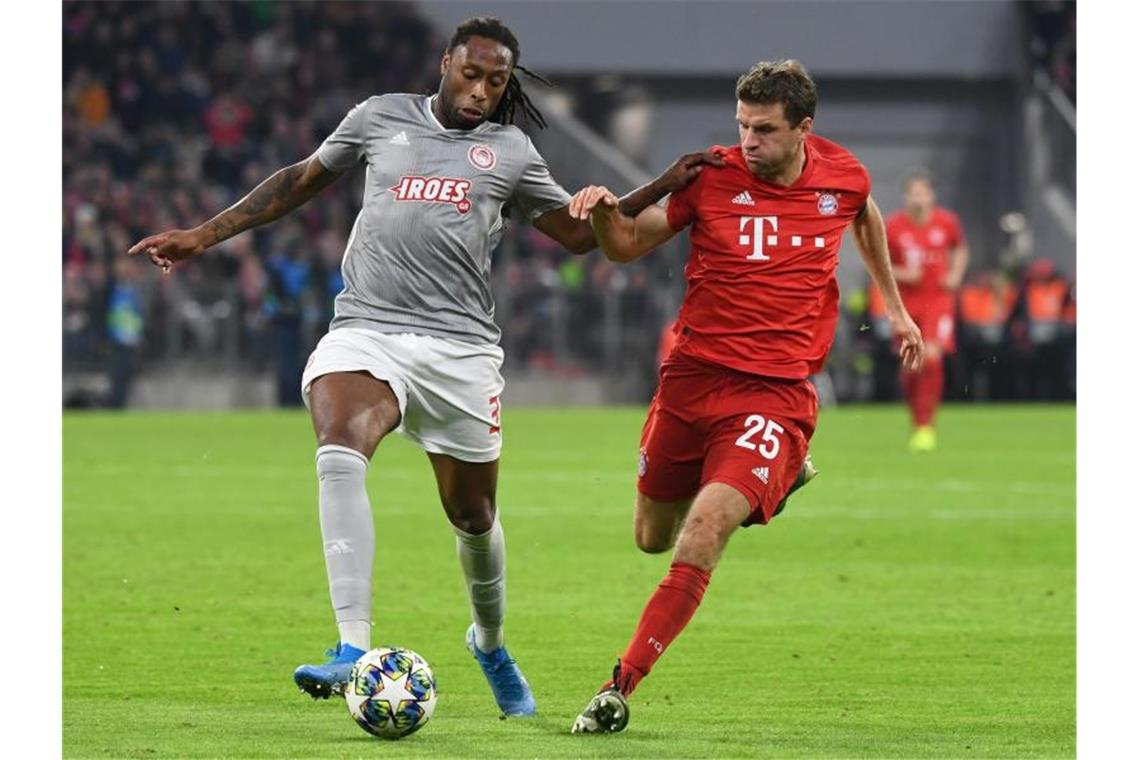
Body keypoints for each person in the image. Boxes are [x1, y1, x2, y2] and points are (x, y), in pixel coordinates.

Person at [128, 17, 717, 717]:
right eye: (471, 74)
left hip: (461, 351)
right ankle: (351, 648)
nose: (481, 92)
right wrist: (204, 235)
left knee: (473, 516)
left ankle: (491, 644)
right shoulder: (380, 117)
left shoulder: (511, 150)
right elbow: (299, 181)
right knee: (340, 447)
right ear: (445, 63)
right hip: (368, 329)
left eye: (496, 83)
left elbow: (575, 237)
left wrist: (647, 190)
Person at [565, 59, 923, 733]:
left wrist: (895, 308)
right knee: (651, 537)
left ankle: (620, 686)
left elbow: (864, 214)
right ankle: (779, 483)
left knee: (703, 532)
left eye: (763, 129)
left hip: (776, 396)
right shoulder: (711, 177)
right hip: (692, 382)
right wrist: (611, 210)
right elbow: (625, 248)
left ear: (803, 130)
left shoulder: (842, 176)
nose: (748, 140)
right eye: (742, 125)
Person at [884, 171, 970, 452]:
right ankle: (917, 419)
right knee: (911, 364)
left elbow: (960, 249)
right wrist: (902, 273)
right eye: (914, 192)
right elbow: (879, 263)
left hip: (938, 301)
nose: (919, 197)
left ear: (932, 195)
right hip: (906, 303)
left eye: (924, 192)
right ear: (906, 196)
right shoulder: (894, 226)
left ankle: (926, 427)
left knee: (932, 358)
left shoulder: (947, 222)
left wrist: (955, 273)